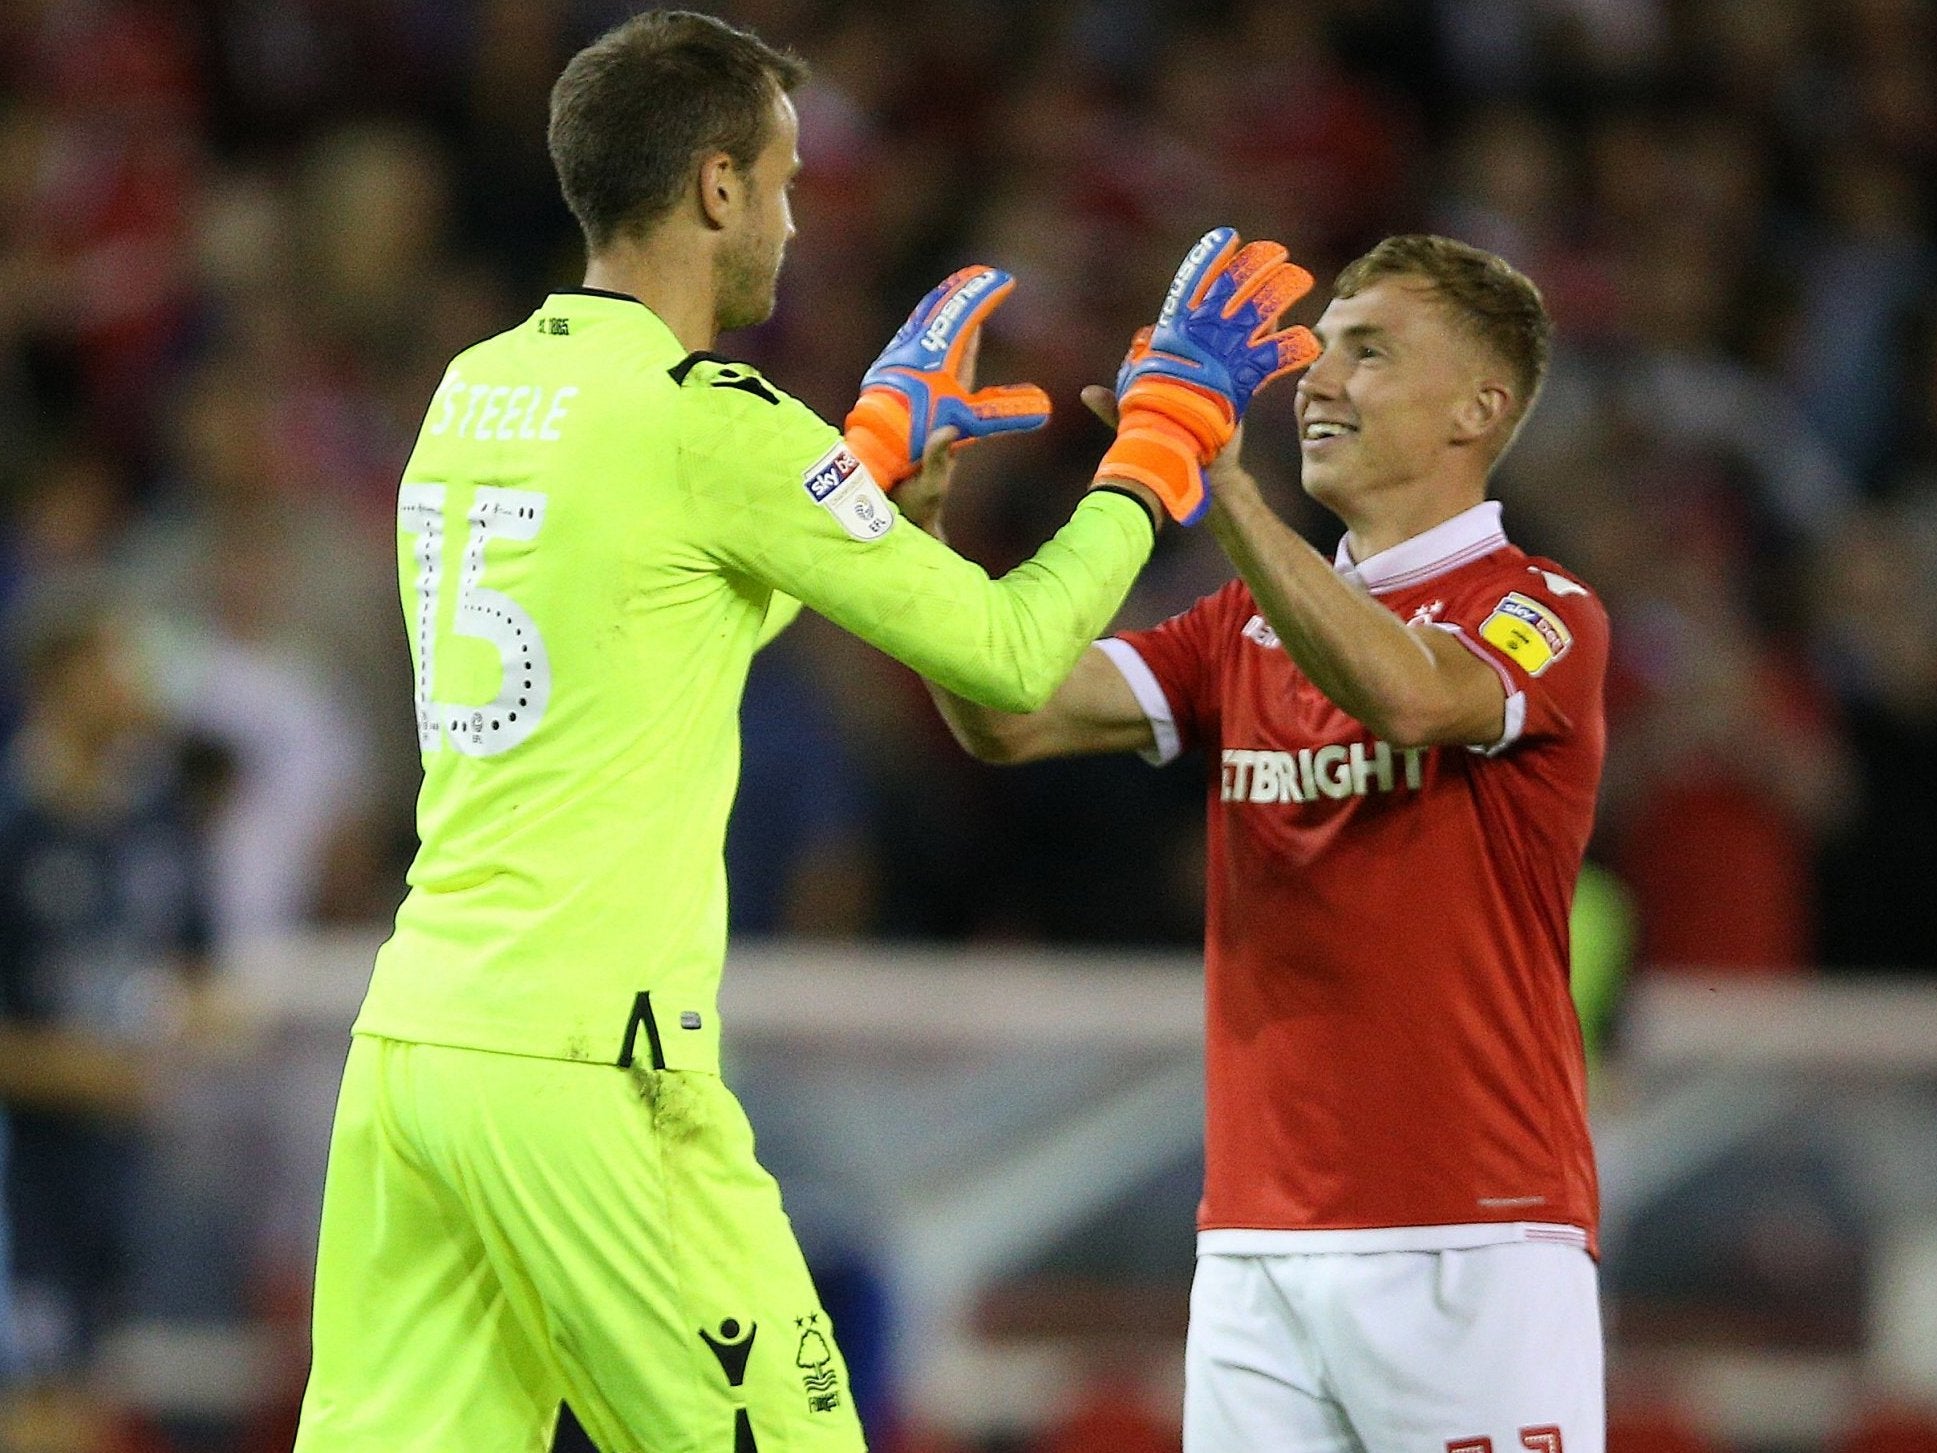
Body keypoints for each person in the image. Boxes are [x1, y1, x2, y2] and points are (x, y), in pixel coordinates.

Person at [292, 12, 1307, 1451]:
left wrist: (865, 460)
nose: (790, 214)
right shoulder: (715, 422)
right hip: (594, 1072)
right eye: (779, 180)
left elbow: (670, 607)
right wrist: (1157, 452)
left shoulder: (478, 386)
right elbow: (1013, 656)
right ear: (714, 189)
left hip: (417, 1050)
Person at [921, 235, 1609, 1452]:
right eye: (1318, 349)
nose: (1316, 381)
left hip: (1470, 1236)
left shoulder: (1538, 611)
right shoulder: (1241, 625)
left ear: (1478, 407)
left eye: (1368, 351)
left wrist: (1222, 486)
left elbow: (1405, 696)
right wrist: (914, 548)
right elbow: (1008, 716)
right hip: (1252, 1247)